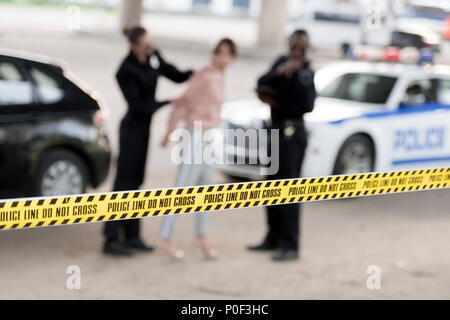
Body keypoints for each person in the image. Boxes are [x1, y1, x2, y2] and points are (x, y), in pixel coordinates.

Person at [103, 26, 193, 257]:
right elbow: (139, 107)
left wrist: (195, 74)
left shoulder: (153, 56)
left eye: (151, 43)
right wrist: (169, 102)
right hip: (131, 129)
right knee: (123, 183)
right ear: (134, 46)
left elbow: (174, 74)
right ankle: (111, 238)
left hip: (143, 130)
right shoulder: (124, 71)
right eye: (146, 45)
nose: (150, 47)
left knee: (137, 181)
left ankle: (132, 235)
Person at [158, 38, 237, 260]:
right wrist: (169, 132)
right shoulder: (204, 75)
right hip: (195, 134)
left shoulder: (220, 76)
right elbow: (182, 102)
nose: (223, 57)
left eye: (227, 54)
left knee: (206, 189)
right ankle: (166, 237)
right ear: (214, 54)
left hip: (208, 136)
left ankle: (201, 236)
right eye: (220, 52)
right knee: (183, 188)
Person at [248, 30, 316, 261]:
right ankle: (273, 237)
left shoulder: (306, 72)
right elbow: (261, 82)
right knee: (271, 187)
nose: (296, 52)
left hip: (291, 133)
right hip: (275, 130)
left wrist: (280, 98)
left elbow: (307, 105)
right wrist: (280, 72)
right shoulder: (281, 63)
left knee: (289, 190)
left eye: (301, 48)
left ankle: (291, 245)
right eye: (293, 47)